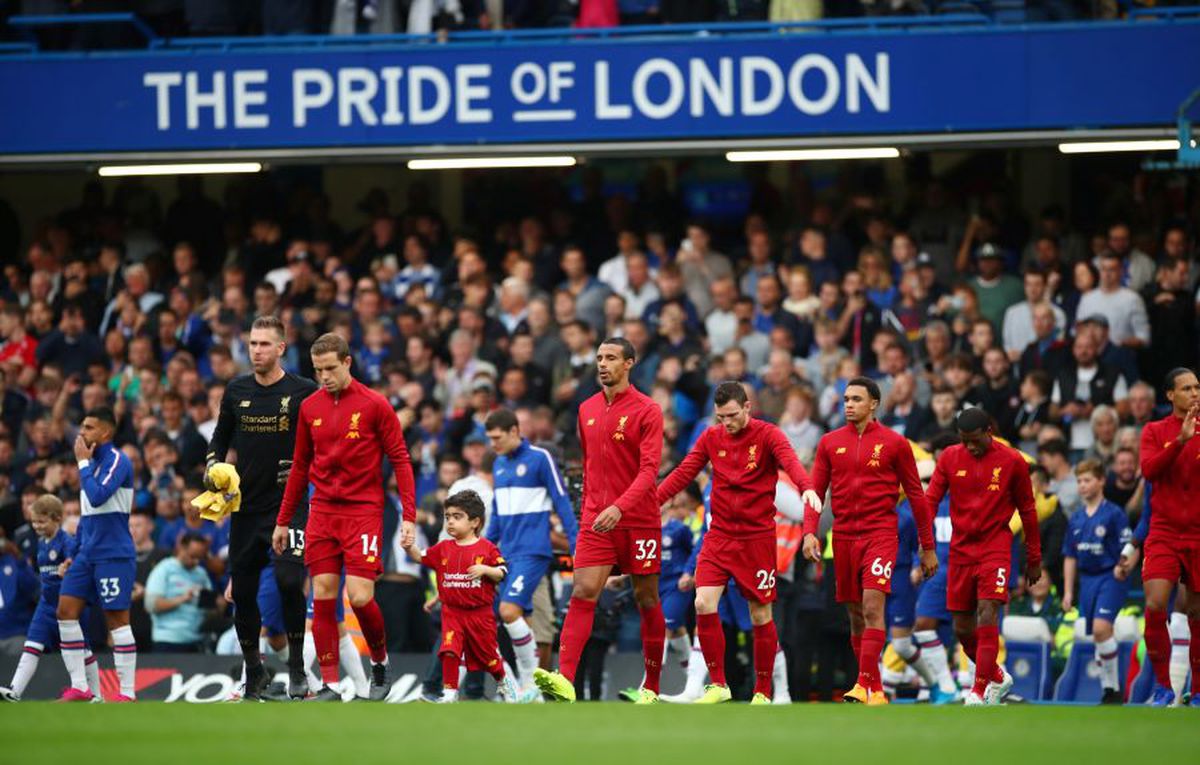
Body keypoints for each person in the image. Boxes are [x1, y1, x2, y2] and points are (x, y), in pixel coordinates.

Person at [654, 381, 821, 704]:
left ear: (747, 408)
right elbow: (684, 472)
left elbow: (793, 464)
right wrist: (653, 500)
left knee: (760, 616)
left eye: (731, 415)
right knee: (703, 604)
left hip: (755, 540)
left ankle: (763, 690)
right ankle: (718, 684)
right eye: (720, 417)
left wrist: (807, 487)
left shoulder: (768, 435)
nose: (726, 423)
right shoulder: (711, 437)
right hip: (718, 537)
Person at [274, 332, 417, 702]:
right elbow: (300, 465)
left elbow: (400, 459)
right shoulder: (310, 408)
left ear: (348, 363)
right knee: (322, 594)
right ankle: (331, 684)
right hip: (321, 511)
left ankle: (381, 661)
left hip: (363, 512)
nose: (324, 376)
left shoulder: (375, 405)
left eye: (331, 368)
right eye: (318, 369)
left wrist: (409, 516)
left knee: (359, 596)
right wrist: (284, 520)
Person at [534, 337, 665, 704]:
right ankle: (564, 679)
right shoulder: (586, 408)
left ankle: (651, 686)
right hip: (597, 518)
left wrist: (620, 507)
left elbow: (649, 470)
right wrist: (591, 510)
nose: (603, 364)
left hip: (638, 519)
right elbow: (591, 465)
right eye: (599, 358)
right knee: (582, 591)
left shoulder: (648, 410)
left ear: (630, 364)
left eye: (611, 358)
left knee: (647, 597)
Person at [803, 376, 937, 705]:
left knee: (872, 605)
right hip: (844, 536)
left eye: (856, 399)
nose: (849, 404)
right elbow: (815, 493)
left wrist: (927, 546)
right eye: (846, 399)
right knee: (855, 614)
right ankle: (874, 688)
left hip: (880, 533)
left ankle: (863, 684)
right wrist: (809, 531)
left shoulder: (894, 443)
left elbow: (918, 497)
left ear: (874, 404)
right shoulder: (830, 442)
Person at [206, 315, 317, 700]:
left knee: (289, 580)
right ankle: (254, 671)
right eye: (253, 344)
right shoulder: (236, 390)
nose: (257, 351)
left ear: (281, 348)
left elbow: (322, 439)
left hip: (290, 503)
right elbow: (218, 441)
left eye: (265, 344)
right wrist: (212, 468)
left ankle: (299, 669)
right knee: (245, 591)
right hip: (246, 506)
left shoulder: (304, 391)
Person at [924, 407, 1041, 706]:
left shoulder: (1013, 461)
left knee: (987, 612)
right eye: (964, 440)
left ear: (989, 431)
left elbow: (1028, 510)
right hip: (960, 549)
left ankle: (978, 691)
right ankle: (998, 677)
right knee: (962, 629)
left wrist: (1033, 558)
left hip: (995, 547)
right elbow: (930, 500)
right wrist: (926, 545)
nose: (970, 446)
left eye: (974, 439)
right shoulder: (950, 457)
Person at [484, 408, 578, 702]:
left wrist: (578, 549)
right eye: (490, 439)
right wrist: (480, 551)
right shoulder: (498, 465)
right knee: (502, 621)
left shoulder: (540, 459)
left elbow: (562, 502)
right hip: (506, 555)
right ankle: (525, 690)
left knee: (509, 612)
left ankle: (530, 685)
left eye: (498, 438)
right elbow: (497, 518)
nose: (493, 445)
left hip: (533, 552)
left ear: (515, 431)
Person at [403, 490, 519, 704]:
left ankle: (505, 683)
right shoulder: (443, 548)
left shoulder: (487, 548)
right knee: (449, 651)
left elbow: (503, 572)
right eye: (448, 517)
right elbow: (420, 556)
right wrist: (409, 546)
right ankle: (449, 693)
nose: (450, 522)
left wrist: (485, 569)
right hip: (452, 613)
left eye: (457, 517)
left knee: (489, 658)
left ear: (475, 522)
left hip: (480, 614)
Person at [57, 407, 138, 702]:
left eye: (89, 427)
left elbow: (97, 496)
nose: (82, 433)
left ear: (105, 433)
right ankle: (80, 686)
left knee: (116, 619)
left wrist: (81, 465)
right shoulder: (90, 466)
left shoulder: (118, 460)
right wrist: (75, 553)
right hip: (87, 554)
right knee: (65, 611)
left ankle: (127, 693)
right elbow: (87, 514)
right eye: (81, 426)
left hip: (113, 554)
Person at [1136, 367, 1200, 707]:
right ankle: (1163, 686)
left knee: (1197, 613)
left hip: (1199, 533)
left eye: (1197, 387)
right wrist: (1180, 442)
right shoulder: (1154, 431)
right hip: (1164, 531)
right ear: (1170, 395)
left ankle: (1199, 689)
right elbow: (1149, 471)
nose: (1195, 393)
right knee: (1155, 603)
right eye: (1187, 388)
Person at [0, 496, 100, 702]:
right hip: (46, 603)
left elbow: (79, 565)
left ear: (57, 519)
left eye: (42, 522)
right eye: (34, 521)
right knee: (32, 644)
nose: (36, 526)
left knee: (83, 649)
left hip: (69, 602)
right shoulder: (41, 543)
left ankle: (96, 694)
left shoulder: (67, 542)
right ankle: (15, 690)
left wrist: (69, 571)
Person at [1061, 459, 1131, 705]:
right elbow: (1069, 556)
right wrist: (1068, 592)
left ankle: (1113, 689)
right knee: (1099, 636)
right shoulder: (1076, 519)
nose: (1082, 485)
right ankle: (1109, 689)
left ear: (1101, 481)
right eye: (1079, 481)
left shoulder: (1114, 514)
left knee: (1101, 629)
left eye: (1088, 480)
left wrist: (1123, 566)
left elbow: (1130, 547)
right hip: (1087, 580)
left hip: (1109, 576)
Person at [911, 434, 963, 703]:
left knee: (956, 630)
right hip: (938, 573)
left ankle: (959, 685)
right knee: (928, 628)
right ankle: (945, 685)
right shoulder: (932, 500)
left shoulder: (965, 497)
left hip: (961, 571)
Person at [144, 533, 215, 652]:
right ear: (182, 548)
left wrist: (215, 603)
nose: (196, 561)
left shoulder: (201, 574)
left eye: (199, 558)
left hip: (196, 640)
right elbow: (150, 605)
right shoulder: (164, 569)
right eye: (192, 556)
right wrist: (182, 598)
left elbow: (210, 609)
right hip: (167, 640)